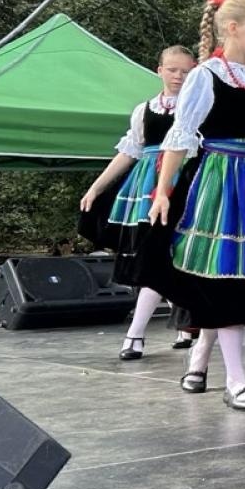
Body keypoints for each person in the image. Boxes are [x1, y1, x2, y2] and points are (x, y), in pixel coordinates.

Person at [141, 0, 245, 412]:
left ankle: (198, 358)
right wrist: (162, 190)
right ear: (232, 28)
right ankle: (235, 380)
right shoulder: (205, 75)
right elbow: (181, 136)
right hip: (221, 180)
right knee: (226, 276)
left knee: (241, 278)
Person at [77, 45, 196, 360]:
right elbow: (130, 151)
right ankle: (140, 333)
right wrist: (96, 187)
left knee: (172, 256)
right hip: (147, 188)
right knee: (154, 256)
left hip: (185, 183)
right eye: (172, 69)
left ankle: (173, 328)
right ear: (159, 70)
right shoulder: (144, 110)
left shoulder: (198, 108)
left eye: (185, 71)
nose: (178, 76)